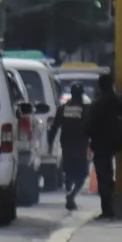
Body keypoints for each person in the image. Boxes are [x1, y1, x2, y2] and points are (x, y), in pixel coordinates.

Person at [86, 73, 122, 220]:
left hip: (101, 145)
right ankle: (118, 201)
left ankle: (108, 208)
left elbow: (88, 126)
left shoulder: (97, 105)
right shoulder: (119, 103)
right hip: (120, 143)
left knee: (104, 176)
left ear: (99, 87)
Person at [47, 83, 91, 211]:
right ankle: (72, 195)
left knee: (68, 172)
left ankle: (69, 192)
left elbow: (54, 128)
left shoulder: (63, 108)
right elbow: (92, 127)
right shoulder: (86, 109)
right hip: (81, 145)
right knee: (81, 174)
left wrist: (50, 143)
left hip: (67, 145)